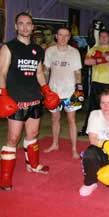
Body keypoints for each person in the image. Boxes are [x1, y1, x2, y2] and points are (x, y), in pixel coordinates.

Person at [0, 12, 59, 191]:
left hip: (35, 99)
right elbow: (1, 72)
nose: (25, 27)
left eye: (28, 24)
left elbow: (39, 73)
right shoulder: (8, 47)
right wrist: (2, 95)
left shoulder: (37, 49)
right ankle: (5, 178)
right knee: (12, 138)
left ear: (33, 27)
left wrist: (46, 90)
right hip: (16, 100)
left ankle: (33, 165)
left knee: (33, 135)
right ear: (16, 26)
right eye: (21, 23)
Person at [43, 27, 84, 159]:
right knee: (55, 119)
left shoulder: (75, 52)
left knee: (72, 120)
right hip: (53, 92)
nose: (63, 38)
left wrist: (79, 89)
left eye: (66, 35)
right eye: (60, 35)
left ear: (69, 37)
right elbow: (46, 70)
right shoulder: (50, 51)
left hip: (71, 92)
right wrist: (44, 88)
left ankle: (74, 149)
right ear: (56, 36)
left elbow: (78, 72)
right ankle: (55, 143)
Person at [79, 89, 109, 196]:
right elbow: (92, 139)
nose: (105, 106)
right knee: (90, 153)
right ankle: (90, 182)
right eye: (103, 103)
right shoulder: (94, 115)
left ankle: (98, 167)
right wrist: (106, 143)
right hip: (98, 152)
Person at [78, 29, 109, 136]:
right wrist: (101, 59)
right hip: (96, 81)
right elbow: (87, 61)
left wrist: (101, 56)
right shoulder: (94, 48)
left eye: (105, 36)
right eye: (101, 36)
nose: (103, 38)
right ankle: (87, 129)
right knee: (93, 107)